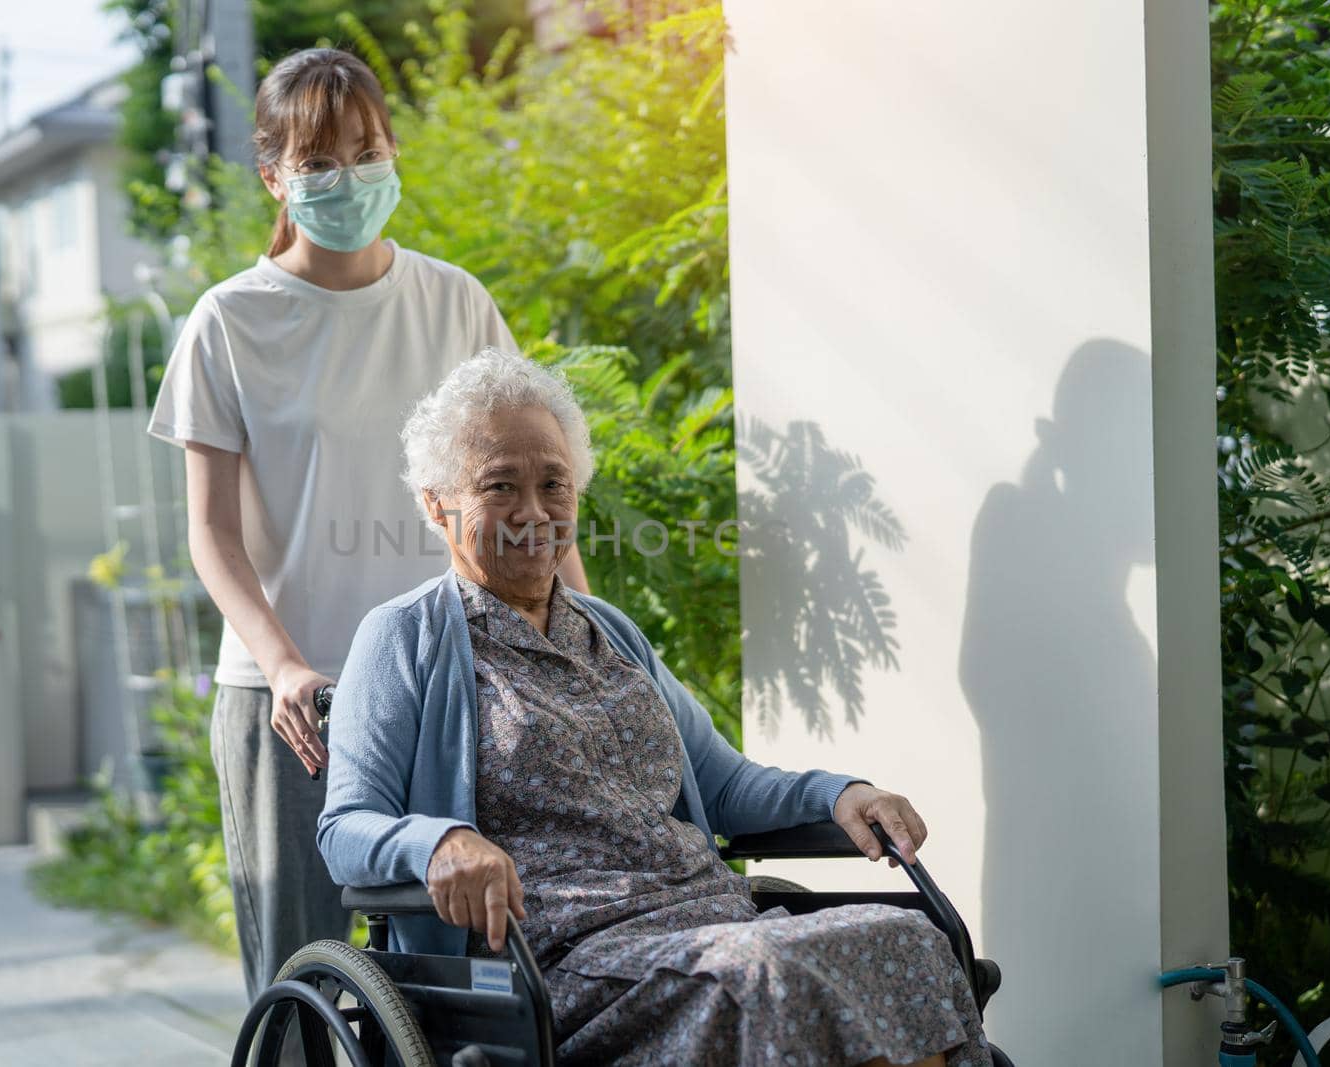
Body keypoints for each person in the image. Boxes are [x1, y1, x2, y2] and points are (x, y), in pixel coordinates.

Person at [319, 350, 991, 1066]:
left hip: (708, 920)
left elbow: (726, 785)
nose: (534, 511)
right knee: (765, 975)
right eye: (499, 486)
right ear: (436, 501)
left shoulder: (610, 630)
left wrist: (842, 792)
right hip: (554, 961)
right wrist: (438, 842)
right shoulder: (404, 635)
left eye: (554, 483)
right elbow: (345, 825)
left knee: (908, 937)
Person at [147, 49, 589, 1002]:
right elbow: (212, 535)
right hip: (297, 704)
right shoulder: (228, 321)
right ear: (274, 176)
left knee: (461, 978)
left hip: (454, 686)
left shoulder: (455, 301)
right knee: (300, 975)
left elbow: (536, 497)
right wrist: (283, 664)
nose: (348, 177)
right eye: (318, 161)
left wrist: (596, 647)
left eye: (366, 149)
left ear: (393, 152)